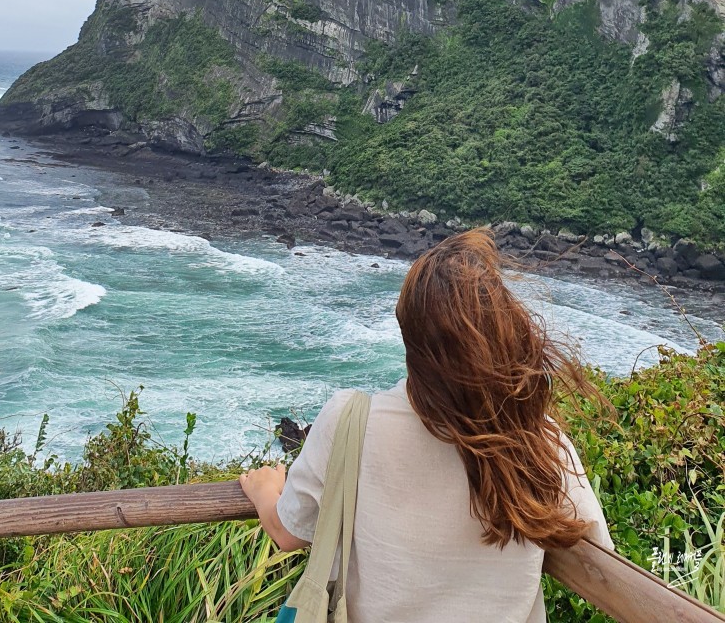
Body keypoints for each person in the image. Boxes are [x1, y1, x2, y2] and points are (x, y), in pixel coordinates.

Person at [240, 228, 612, 623]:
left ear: (408, 337)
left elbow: (288, 533)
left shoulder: (350, 421)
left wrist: (265, 491)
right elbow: (594, 549)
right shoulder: (535, 437)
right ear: (501, 331)